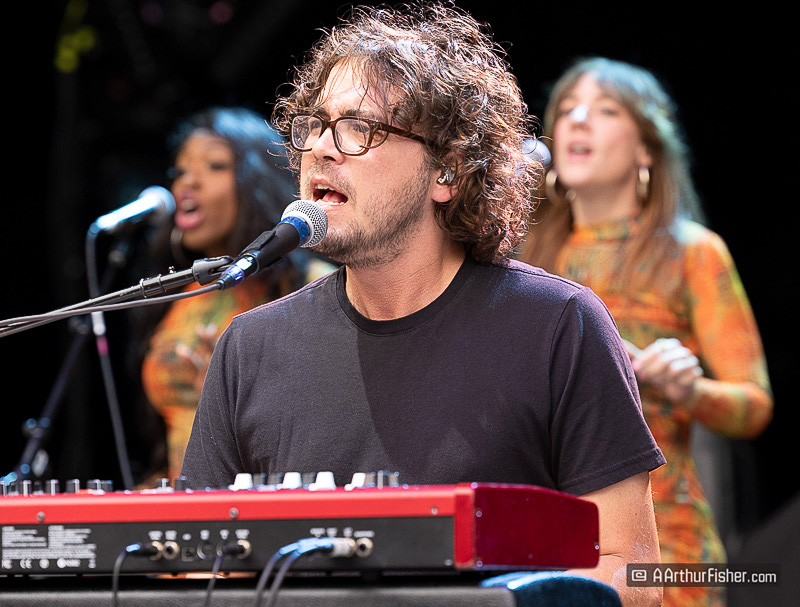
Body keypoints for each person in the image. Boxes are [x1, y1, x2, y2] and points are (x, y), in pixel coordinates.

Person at [182, 6, 664, 606]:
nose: (321, 149)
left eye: (359, 127)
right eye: (316, 124)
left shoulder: (559, 325)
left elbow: (630, 570)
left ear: (448, 172)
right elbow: (198, 576)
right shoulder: (250, 347)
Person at [517, 57, 773, 607]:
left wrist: (689, 389)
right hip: (548, 541)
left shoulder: (692, 253)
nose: (578, 119)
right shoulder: (525, 257)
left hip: (666, 546)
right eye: (567, 109)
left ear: (646, 150)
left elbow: (753, 406)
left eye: (606, 110)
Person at [132, 106, 334, 485]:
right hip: (179, 497)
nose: (188, 183)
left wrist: (230, 394)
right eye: (181, 171)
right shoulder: (180, 295)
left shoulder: (312, 287)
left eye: (214, 166)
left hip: (262, 502)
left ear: (256, 180)